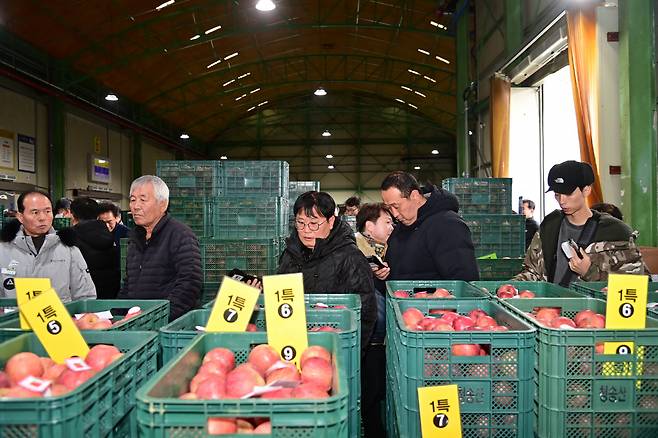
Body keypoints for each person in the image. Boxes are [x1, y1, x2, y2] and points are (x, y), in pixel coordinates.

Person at [514, 160, 645, 285]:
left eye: (568, 194)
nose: (562, 201)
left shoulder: (615, 232)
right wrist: (510, 286)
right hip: (551, 306)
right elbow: (533, 272)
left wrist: (589, 272)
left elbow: (634, 285)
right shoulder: (550, 226)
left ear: (586, 190)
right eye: (557, 194)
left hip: (596, 308)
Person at [277, 191, 378, 353]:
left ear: (331, 221)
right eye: (300, 223)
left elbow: (366, 313)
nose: (306, 230)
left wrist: (348, 352)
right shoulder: (290, 254)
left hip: (334, 349)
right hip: (293, 346)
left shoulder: (350, 258)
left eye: (313, 223)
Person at [118, 176, 202, 321]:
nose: (136, 206)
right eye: (132, 200)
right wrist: (118, 313)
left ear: (162, 205)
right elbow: (129, 284)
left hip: (168, 325)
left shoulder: (180, 235)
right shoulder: (135, 238)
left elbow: (190, 282)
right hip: (138, 323)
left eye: (143, 200)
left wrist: (160, 318)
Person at [379, 171, 479, 281]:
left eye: (396, 206)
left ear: (414, 196)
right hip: (401, 297)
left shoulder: (448, 225)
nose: (394, 214)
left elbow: (463, 279)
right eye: (389, 208)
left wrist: (434, 296)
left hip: (431, 298)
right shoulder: (401, 228)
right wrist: (383, 274)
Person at [0, 191, 96, 302]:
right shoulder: (3, 250)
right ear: (20, 217)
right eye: (35, 212)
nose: (42, 218)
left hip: (59, 318)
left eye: (47, 211)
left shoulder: (69, 250)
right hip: (13, 319)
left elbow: (85, 295)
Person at [354, 203, 394, 438]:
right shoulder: (353, 251)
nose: (392, 226)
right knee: (371, 389)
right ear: (369, 227)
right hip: (370, 335)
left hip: (382, 334)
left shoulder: (386, 249)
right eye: (387, 222)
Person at [70, 197, 119, 299]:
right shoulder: (109, 235)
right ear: (97, 216)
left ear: (73, 216)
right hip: (110, 298)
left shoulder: (70, 239)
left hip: (83, 300)